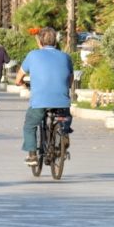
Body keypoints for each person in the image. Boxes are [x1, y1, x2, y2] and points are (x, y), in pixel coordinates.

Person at [15, 27, 73, 166]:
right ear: (55, 42)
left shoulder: (33, 55)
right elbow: (70, 79)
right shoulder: (65, 56)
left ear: (40, 42)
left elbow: (18, 78)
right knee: (65, 119)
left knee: (29, 125)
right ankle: (63, 134)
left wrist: (21, 83)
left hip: (40, 101)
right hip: (62, 101)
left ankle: (33, 155)